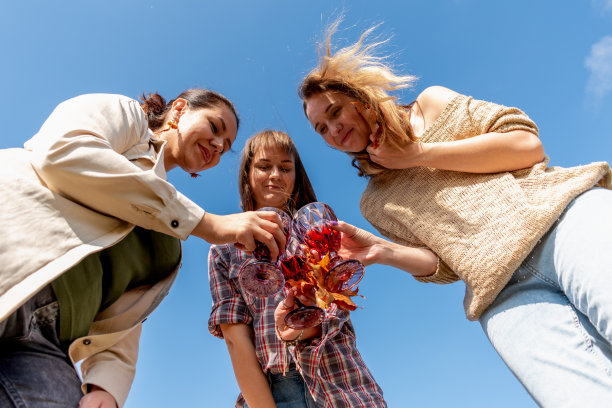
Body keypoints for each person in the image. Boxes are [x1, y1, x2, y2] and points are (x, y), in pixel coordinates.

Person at [298, 21, 612, 407]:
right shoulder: (373, 202)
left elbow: (526, 144)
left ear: (360, 98)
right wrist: (379, 250)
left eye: (334, 112)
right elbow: (443, 265)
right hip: (503, 293)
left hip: (561, 222)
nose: (332, 129)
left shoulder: (432, 105)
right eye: (321, 128)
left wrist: (417, 155)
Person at [0, 89, 286, 408]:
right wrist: (208, 224)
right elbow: (64, 152)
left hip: (49, 338)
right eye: (215, 128)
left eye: (226, 146)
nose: (219, 145)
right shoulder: (127, 117)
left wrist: (107, 386)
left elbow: (125, 316)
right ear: (178, 110)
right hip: (12, 260)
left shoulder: (169, 232)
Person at [207, 130, 386, 408]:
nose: (275, 175)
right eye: (264, 166)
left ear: (295, 176)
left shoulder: (319, 233)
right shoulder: (225, 249)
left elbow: (335, 310)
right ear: (247, 174)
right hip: (277, 388)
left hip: (342, 377)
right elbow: (236, 342)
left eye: (285, 168)